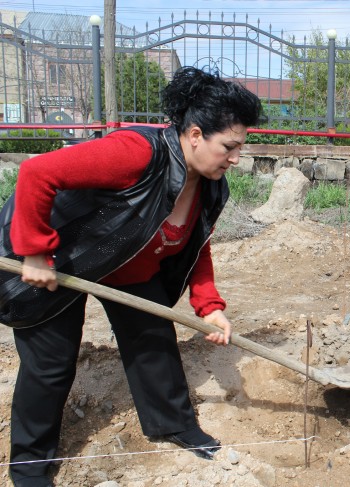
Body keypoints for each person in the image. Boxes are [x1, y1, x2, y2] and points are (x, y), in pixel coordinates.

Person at [0, 66, 264, 486]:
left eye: (240, 147)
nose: (236, 158)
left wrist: (209, 306)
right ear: (195, 135)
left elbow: (197, 243)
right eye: (229, 146)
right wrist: (34, 251)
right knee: (50, 364)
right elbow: (37, 174)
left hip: (127, 265)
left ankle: (173, 424)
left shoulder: (212, 183)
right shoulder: (136, 153)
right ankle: (30, 466)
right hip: (63, 258)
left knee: (153, 339)